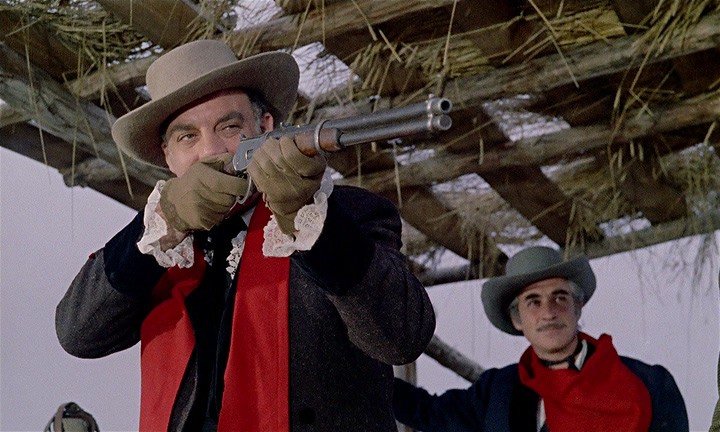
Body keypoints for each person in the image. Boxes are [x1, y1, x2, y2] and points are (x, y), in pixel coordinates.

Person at [55, 39, 435, 432]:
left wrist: (309, 219)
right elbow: (78, 333)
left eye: (230, 127)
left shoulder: (348, 214)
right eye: (187, 137)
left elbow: (403, 336)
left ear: (265, 127)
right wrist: (167, 219)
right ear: (167, 155)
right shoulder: (158, 241)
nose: (211, 151)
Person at [393, 245, 688, 432]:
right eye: (533, 301)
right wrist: (367, 372)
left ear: (577, 307)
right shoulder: (498, 391)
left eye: (560, 297)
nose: (548, 312)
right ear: (517, 319)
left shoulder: (650, 383)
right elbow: (427, 412)